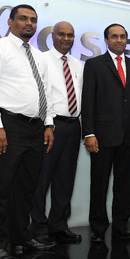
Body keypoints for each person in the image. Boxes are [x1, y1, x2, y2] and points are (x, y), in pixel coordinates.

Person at [0, 4, 56, 259]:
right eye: (23, 18)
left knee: (26, 188)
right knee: (0, 188)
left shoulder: (39, 55)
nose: (29, 23)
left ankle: (19, 236)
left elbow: (45, 91)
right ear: (10, 22)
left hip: (36, 128)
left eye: (33, 20)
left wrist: (48, 124)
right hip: (7, 126)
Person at [81, 23, 130, 243]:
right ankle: (98, 230)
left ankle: (120, 227)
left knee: (125, 186)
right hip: (102, 136)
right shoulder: (94, 65)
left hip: (128, 136)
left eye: (123, 36)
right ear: (106, 40)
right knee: (99, 185)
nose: (119, 40)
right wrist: (88, 133)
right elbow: (87, 101)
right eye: (114, 36)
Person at [29, 21, 83, 244]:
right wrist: (48, 125)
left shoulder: (78, 64)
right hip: (50, 126)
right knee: (42, 178)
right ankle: (38, 227)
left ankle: (58, 225)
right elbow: (42, 95)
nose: (66, 38)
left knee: (65, 179)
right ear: (52, 36)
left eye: (70, 35)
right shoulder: (41, 59)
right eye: (62, 34)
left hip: (73, 125)